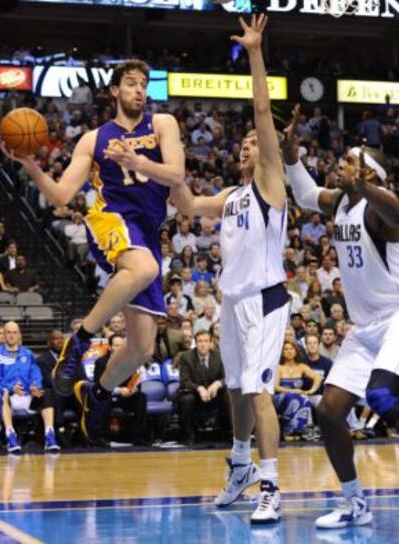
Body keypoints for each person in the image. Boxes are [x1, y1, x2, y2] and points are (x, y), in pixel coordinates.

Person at [0, 59, 185, 440]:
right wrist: (30, 164)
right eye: (131, 83)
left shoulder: (163, 124)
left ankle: (96, 393)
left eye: (143, 84)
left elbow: (177, 175)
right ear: (114, 91)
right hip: (111, 218)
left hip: (147, 232)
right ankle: (79, 341)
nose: (139, 90)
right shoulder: (94, 139)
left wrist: (138, 161)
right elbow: (62, 196)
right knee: (146, 268)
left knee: (142, 347)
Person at [173, 15, 289, 524]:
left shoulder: (269, 184)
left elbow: (261, 108)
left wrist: (256, 52)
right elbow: (187, 203)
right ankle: (240, 465)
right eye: (241, 144)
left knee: (259, 390)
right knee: (239, 390)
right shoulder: (231, 195)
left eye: (252, 142)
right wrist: (149, 161)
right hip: (233, 301)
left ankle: (272, 485)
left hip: (265, 299)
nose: (247, 145)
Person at [282, 104, 399, 529]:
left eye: (351, 161)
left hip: (397, 321)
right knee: (329, 413)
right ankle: (355, 504)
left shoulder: (378, 213)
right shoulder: (343, 204)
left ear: (370, 175)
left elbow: (396, 212)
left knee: (383, 398)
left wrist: (366, 187)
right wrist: (291, 154)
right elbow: (304, 195)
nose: (340, 163)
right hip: (365, 330)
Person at [0, 321, 60, 453]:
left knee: (46, 393)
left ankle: (50, 436)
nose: (11, 335)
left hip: (28, 397)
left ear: (19, 335)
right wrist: (11, 388)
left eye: (14, 332)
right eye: (8, 332)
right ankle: (11, 436)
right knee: (1, 392)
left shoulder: (28, 354)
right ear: (4, 335)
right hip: (8, 399)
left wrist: (35, 386)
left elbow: (36, 373)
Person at [94, 334, 148, 446]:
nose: (119, 348)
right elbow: (99, 384)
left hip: (126, 396)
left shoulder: (131, 361)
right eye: (116, 345)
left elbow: (137, 380)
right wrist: (118, 390)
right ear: (110, 347)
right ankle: (103, 437)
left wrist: (133, 390)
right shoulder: (101, 362)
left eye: (121, 345)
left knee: (141, 397)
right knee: (104, 399)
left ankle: (139, 437)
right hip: (109, 394)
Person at [177, 330, 228, 446]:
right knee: (187, 399)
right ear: (195, 343)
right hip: (195, 395)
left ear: (211, 343)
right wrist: (199, 388)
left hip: (215, 395)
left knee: (229, 395)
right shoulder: (186, 357)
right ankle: (189, 436)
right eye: (199, 341)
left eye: (206, 341)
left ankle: (229, 434)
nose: (203, 344)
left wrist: (218, 384)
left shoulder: (220, 356)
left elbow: (228, 378)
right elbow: (184, 382)